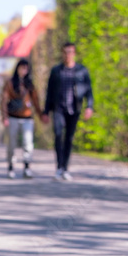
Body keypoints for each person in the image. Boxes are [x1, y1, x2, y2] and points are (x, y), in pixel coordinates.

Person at [44, 42, 94, 180]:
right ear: (62, 53)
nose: (68, 55)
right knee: (58, 135)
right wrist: (46, 111)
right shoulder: (56, 71)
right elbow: (49, 92)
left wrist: (89, 106)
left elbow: (89, 91)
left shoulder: (82, 71)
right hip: (59, 108)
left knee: (69, 138)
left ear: (74, 53)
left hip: (74, 108)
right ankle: (59, 167)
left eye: (70, 52)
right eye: (65, 52)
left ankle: (65, 168)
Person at [0, 58, 42, 179]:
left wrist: (40, 114)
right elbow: (3, 100)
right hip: (13, 117)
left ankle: (27, 167)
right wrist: (5, 116)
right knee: (11, 143)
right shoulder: (11, 83)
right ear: (17, 68)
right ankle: (11, 167)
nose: (24, 70)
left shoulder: (30, 84)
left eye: (26, 68)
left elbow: (35, 101)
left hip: (27, 117)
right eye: (22, 67)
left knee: (28, 143)